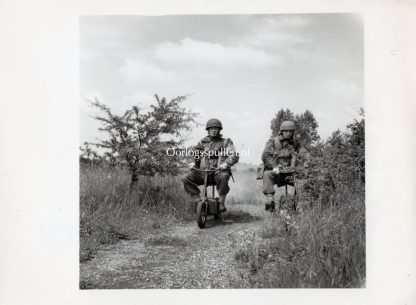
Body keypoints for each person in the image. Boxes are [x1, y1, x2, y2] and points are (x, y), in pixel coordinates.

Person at [181, 118, 239, 212]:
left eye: (216, 128)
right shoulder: (202, 142)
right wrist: (192, 161)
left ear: (219, 130)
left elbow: (234, 155)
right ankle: (198, 201)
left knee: (224, 176)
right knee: (185, 178)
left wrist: (226, 163)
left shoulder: (225, 142)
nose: (213, 130)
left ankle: (221, 203)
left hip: (218, 172)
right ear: (208, 130)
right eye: (211, 128)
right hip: (203, 173)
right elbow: (193, 153)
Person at [260, 120, 308, 212]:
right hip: (277, 172)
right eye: (286, 131)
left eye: (291, 131)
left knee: (305, 175)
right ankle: (271, 202)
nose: (289, 133)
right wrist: (274, 166)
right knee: (267, 174)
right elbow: (265, 155)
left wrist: (308, 161)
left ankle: (300, 204)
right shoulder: (273, 141)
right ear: (281, 131)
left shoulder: (295, 142)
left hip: (291, 172)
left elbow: (304, 152)